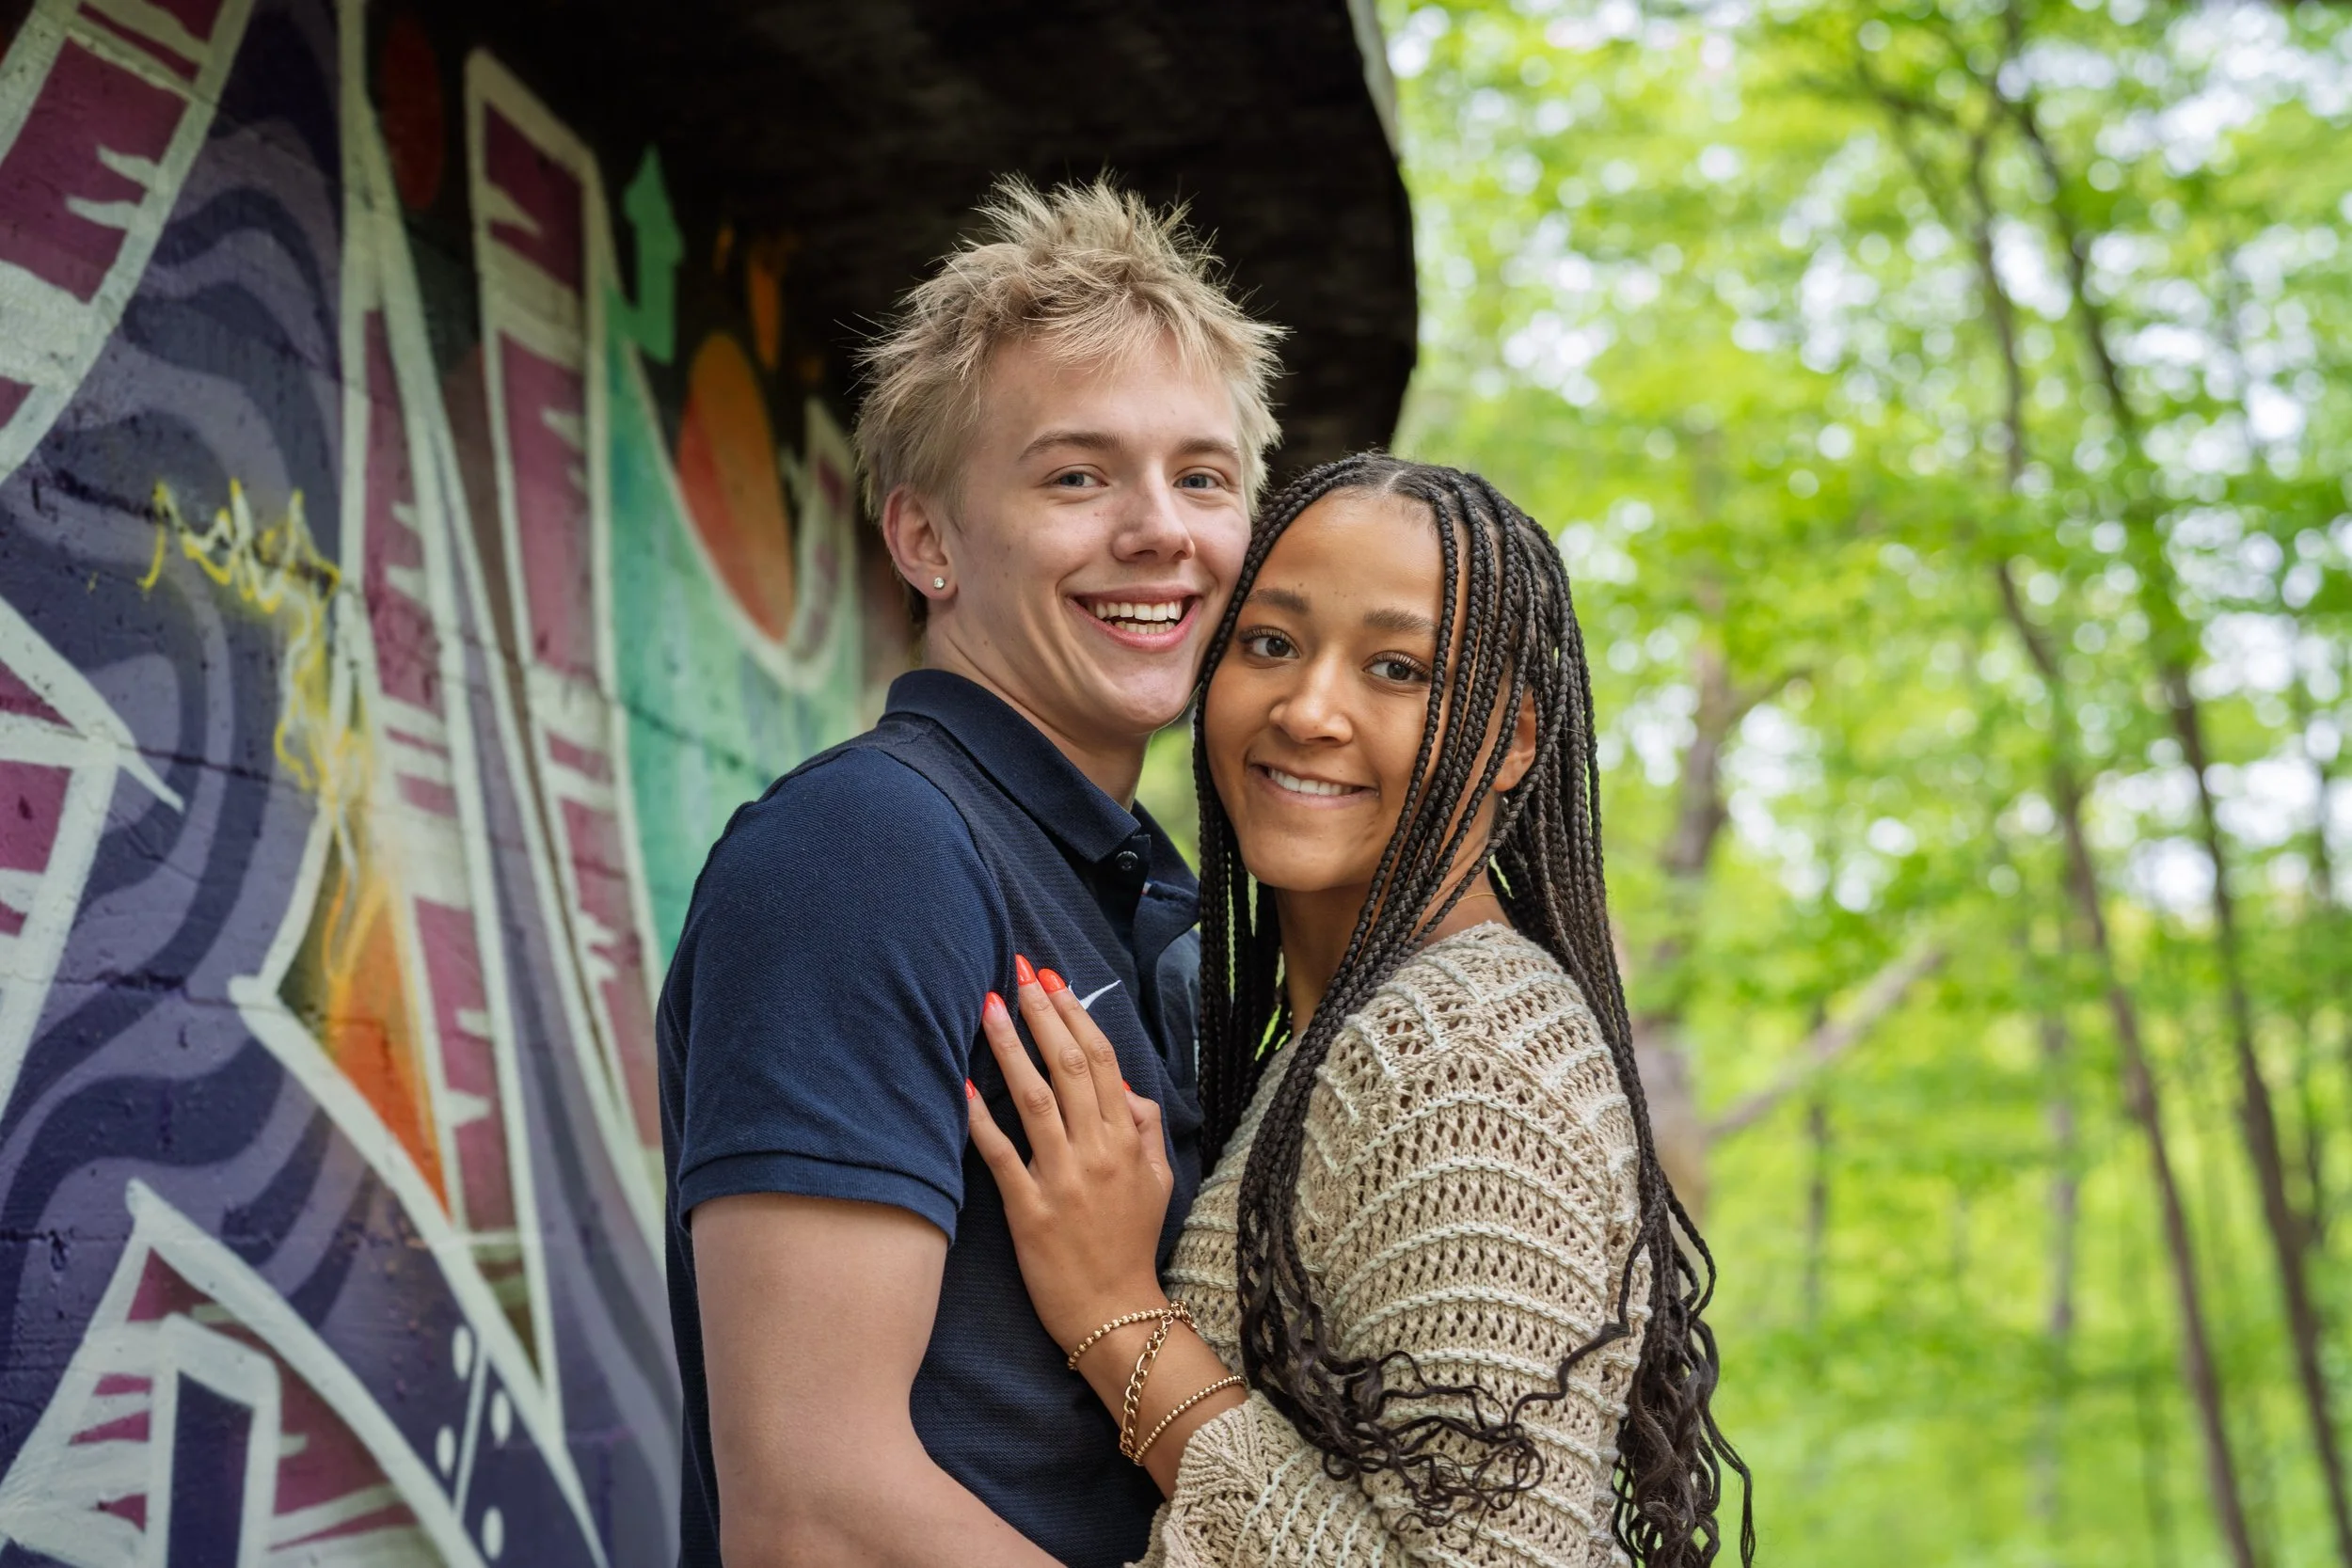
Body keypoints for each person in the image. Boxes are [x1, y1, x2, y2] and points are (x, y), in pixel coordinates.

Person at [968, 455, 1756, 1566]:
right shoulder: (1347, 1029)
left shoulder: (1462, 1061)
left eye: (1397, 667)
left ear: (1514, 737)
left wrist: (1116, 1316)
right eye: (1271, 643)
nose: (1309, 708)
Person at [656, 178, 1282, 1567]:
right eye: (1077, 474)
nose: (1161, 529)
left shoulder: (1152, 889)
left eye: (1204, 475)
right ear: (926, 539)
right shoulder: (867, 850)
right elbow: (812, 1511)